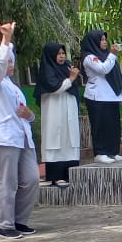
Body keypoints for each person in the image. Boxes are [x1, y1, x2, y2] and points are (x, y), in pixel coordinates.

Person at [0, 21, 40, 240]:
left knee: (32, 179)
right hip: (3, 138)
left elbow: (25, 115)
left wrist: (30, 115)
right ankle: (3, 225)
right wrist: (6, 40)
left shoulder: (12, 87)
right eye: (9, 61)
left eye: (12, 61)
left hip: (22, 137)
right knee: (7, 183)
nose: (11, 64)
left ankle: (19, 221)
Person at [35, 42, 82, 187]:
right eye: (58, 54)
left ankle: (71, 174)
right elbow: (54, 87)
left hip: (69, 108)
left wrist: (71, 77)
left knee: (70, 139)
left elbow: (72, 88)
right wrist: (71, 79)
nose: (62, 56)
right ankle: (56, 176)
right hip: (54, 109)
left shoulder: (66, 68)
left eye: (63, 53)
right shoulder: (47, 71)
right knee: (55, 139)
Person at [81, 30, 122, 164]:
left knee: (113, 126)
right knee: (100, 126)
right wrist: (113, 55)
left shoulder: (107, 55)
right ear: (94, 41)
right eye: (101, 40)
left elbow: (117, 76)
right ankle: (100, 153)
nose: (104, 42)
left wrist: (121, 94)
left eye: (105, 39)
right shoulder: (89, 57)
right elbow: (103, 69)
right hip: (97, 96)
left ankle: (113, 151)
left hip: (112, 96)